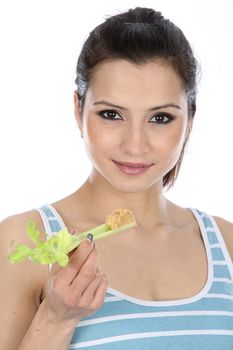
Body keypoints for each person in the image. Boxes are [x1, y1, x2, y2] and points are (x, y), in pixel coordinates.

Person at [1, 6, 233, 350]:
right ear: (78, 110)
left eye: (161, 118)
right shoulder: (26, 243)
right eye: (111, 114)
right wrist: (55, 319)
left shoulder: (226, 244)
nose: (135, 144)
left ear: (190, 118)